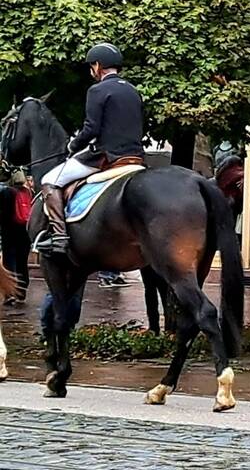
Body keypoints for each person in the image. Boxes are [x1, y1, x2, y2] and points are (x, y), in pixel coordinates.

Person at [36, 43, 145, 255]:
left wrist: (73, 144)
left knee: (50, 180)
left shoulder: (97, 90)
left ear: (98, 66)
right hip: (135, 156)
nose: (91, 71)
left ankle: (59, 237)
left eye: (91, 66)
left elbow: (91, 128)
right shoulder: (133, 91)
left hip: (106, 156)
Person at [0, 170, 32, 304]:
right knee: (22, 262)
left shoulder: (6, 192)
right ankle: (22, 292)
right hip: (25, 231)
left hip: (9, 232)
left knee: (9, 262)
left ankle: (10, 293)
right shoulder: (28, 192)